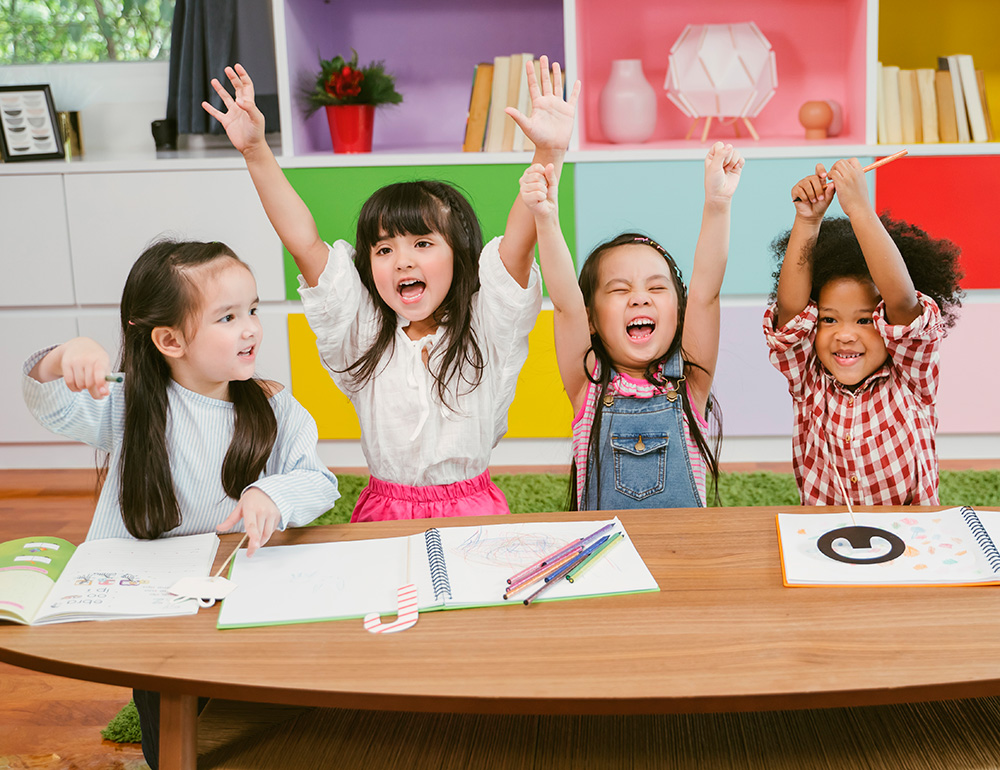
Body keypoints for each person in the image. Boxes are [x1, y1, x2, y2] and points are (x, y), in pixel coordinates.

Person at [203, 59, 579, 522]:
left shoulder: (487, 327)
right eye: (384, 249)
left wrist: (548, 152)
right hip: (385, 510)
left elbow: (519, 247)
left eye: (422, 243)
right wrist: (257, 150)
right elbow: (303, 241)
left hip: (473, 509)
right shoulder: (363, 333)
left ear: (460, 257)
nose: (402, 260)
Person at [22, 239, 341, 769]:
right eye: (227, 317)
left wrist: (272, 492)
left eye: (253, 310)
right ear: (169, 339)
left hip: (239, 585)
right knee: (170, 731)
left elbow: (319, 481)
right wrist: (61, 357)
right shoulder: (127, 402)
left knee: (260, 712)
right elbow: (51, 404)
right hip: (148, 603)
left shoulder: (273, 405)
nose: (251, 328)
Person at [520, 142, 744, 510]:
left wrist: (718, 204)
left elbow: (706, 292)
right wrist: (546, 217)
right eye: (620, 289)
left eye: (656, 287)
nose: (640, 298)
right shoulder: (587, 385)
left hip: (684, 560)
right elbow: (565, 306)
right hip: (606, 560)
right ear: (591, 319)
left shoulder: (691, 382)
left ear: (679, 313)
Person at [764, 159, 963, 506]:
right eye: (828, 319)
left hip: (911, 532)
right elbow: (792, 313)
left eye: (864, 320)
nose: (844, 335)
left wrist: (859, 210)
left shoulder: (912, 377)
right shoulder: (808, 379)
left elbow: (901, 301)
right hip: (827, 533)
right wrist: (808, 221)